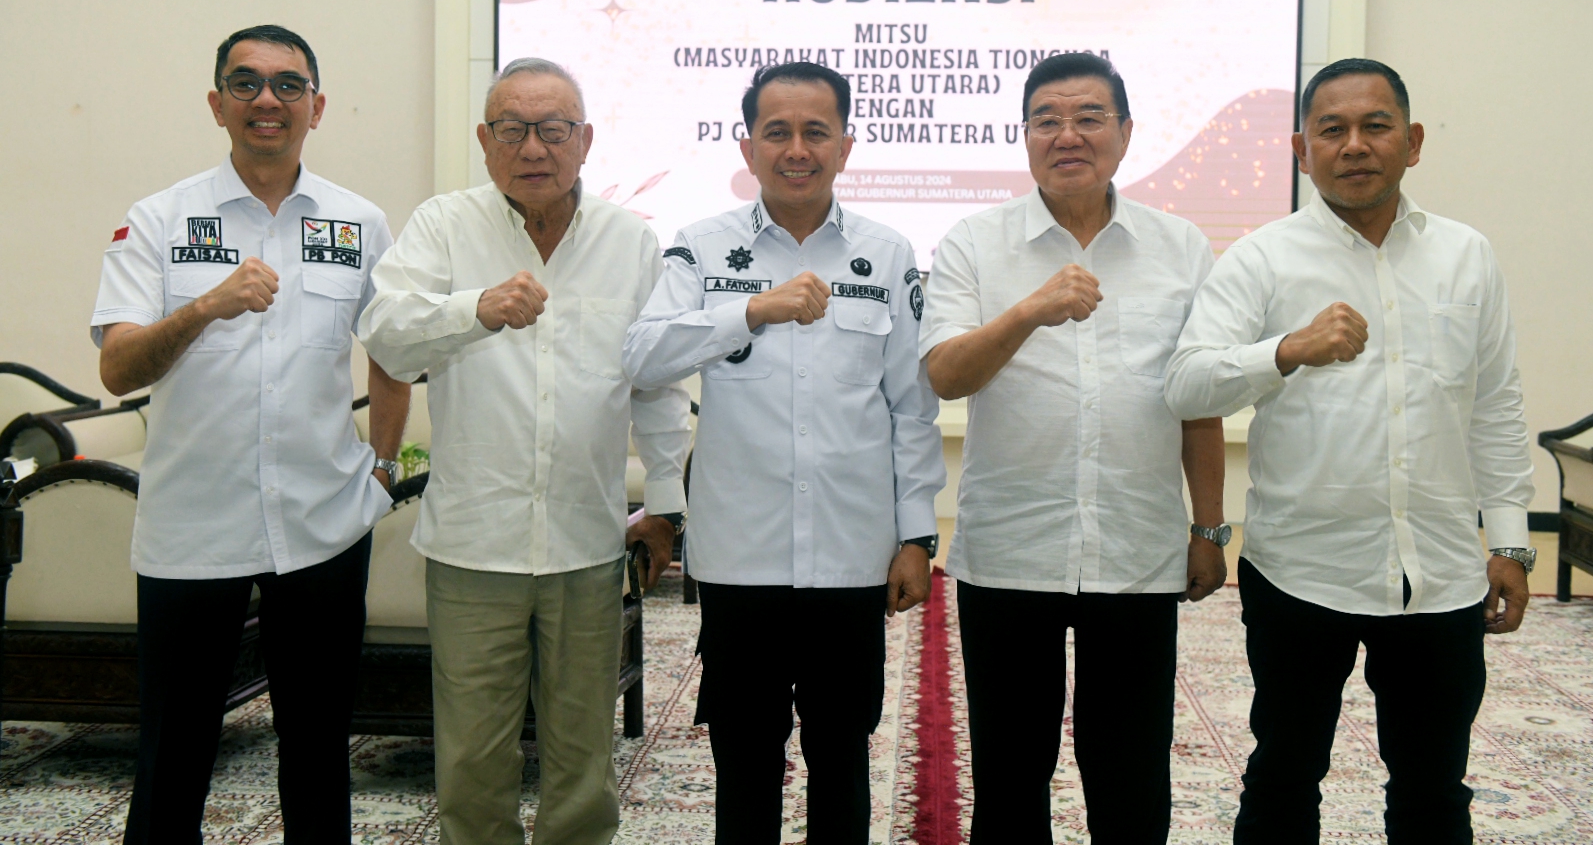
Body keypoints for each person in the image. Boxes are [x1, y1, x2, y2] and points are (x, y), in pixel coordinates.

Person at [1164, 58, 1536, 844]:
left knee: (1434, 789)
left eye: (1375, 126)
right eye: (1331, 130)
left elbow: (1495, 403)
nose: (1354, 145)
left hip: (1438, 575)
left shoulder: (1466, 254)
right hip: (1301, 573)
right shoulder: (1262, 257)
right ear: (1301, 150)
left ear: (1413, 141)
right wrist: (1286, 350)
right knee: (1283, 776)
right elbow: (1186, 384)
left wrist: (1508, 540)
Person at [357, 57, 690, 845]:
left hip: (585, 540)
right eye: (512, 129)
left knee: (583, 754)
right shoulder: (442, 225)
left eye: (552, 129)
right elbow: (386, 334)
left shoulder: (629, 243)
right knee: (473, 752)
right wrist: (474, 309)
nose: (533, 147)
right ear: (484, 140)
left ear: (585, 140)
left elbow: (655, 383)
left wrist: (667, 505)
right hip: (474, 543)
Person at [91, 24, 410, 843]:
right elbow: (118, 369)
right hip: (194, 525)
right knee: (174, 752)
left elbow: (392, 352)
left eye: (287, 85)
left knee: (318, 746)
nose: (267, 99)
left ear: (316, 107)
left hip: (323, 521)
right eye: (246, 83)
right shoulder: (158, 219)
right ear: (217, 103)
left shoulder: (359, 221)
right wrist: (203, 307)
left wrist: (380, 467)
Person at [623, 61, 944, 845]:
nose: (796, 149)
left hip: (850, 555)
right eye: (776, 132)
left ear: (845, 146)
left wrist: (916, 535)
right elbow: (641, 356)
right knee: (744, 760)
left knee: (841, 755)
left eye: (814, 132)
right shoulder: (701, 247)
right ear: (747, 147)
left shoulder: (887, 252)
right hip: (742, 558)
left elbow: (910, 406)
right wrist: (751, 311)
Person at [917, 52, 1227, 844]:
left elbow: (1197, 401)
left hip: (1135, 549)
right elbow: (945, 375)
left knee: (1130, 774)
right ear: (1022, 136)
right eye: (1046, 120)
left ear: (1124, 132)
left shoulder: (1180, 246)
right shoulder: (974, 242)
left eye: (1088, 117)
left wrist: (1208, 527)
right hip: (1010, 549)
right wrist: (1028, 311)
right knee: (1010, 775)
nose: (1067, 135)